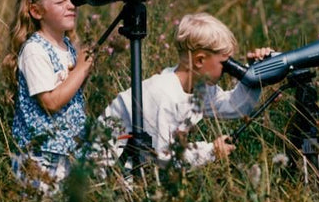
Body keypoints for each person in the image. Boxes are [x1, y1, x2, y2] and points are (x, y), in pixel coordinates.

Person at [99, 12, 273, 168]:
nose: (228, 70)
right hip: (100, 168)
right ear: (199, 61)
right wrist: (210, 151)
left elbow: (234, 107)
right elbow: (161, 159)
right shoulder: (163, 94)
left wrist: (257, 73)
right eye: (225, 63)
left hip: (128, 166)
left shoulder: (198, 87)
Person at [2, 0, 94, 192]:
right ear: (36, 11)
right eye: (60, 1)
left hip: (66, 153)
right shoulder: (35, 50)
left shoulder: (67, 47)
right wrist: (81, 69)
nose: (70, 6)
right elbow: (51, 102)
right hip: (39, 158)